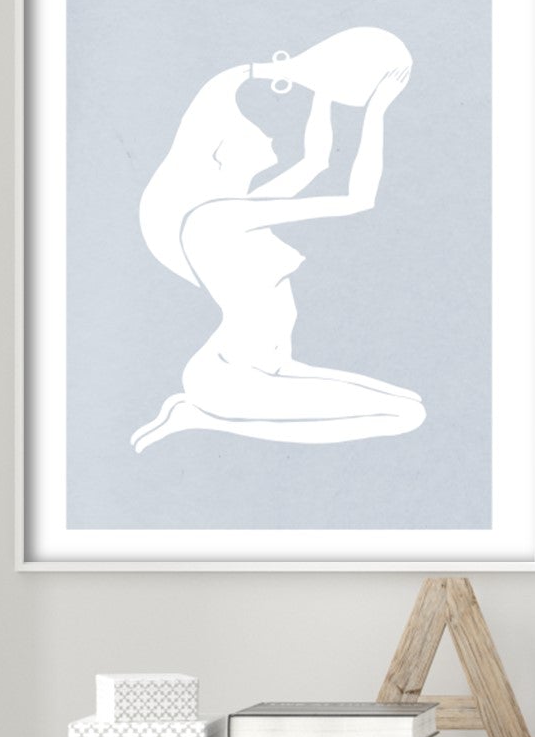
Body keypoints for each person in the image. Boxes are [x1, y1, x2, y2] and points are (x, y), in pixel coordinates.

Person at [130, 26, 424, 452]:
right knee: (407, 416)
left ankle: (200, 411)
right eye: (252, 132)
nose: (267, 136)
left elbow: (316, 162)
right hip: (231, 379)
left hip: (266, 367)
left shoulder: (240, 207)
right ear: (222, 152)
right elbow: (358, 199)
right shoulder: (220, 217)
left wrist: (323, 88)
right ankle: (197, 417)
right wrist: (376, 111)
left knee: (409, 401)